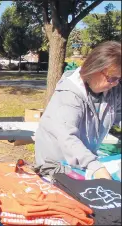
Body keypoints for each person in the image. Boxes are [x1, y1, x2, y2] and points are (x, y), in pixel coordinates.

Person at [35, 41, 121, 180]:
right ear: (95, 69)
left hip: (84, 162)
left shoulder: (113, 89)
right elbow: (68, 138)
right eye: (112, 78)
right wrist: (94, 166)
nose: (116, 83)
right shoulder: (69, 94)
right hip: (56, 165)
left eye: (119, 79)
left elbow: (119, 113)